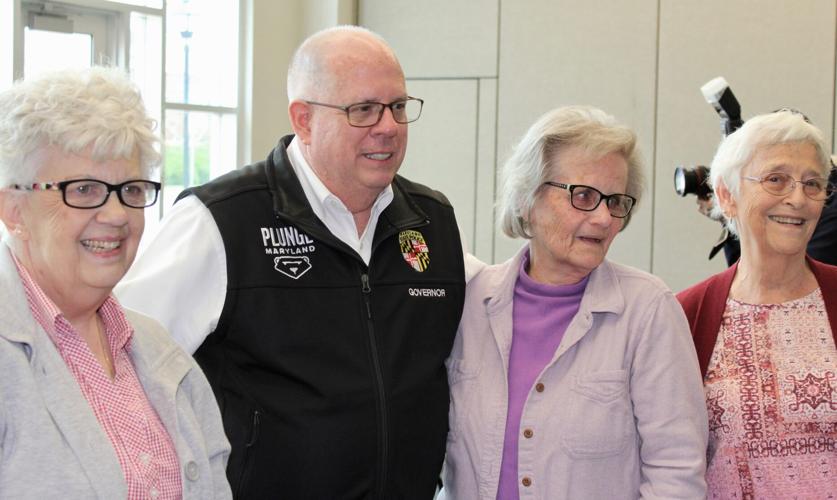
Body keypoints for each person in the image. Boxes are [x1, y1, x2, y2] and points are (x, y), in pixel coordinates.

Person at [116, 26, 466, 498]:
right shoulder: (221, 220)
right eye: (363, 110)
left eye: (398, 107)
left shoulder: (431, 221)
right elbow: (122, 363)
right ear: (303, 119)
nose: (388, 127)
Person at [440, 106, 708, 499]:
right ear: (528, 196)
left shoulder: (648, 310)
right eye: (583, 195)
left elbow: (676, 470)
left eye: (616, 201)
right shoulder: (468, 301)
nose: (603, 218)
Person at [0, 67, 231, 499]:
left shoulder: (159, 348)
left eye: (131, 189)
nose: (116, 214)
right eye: (84, 189)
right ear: (15, 210)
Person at [677, 110, 837, 498]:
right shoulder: (686, 314)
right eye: (776, 179)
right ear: (727, 195)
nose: (798, 198)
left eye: (813, 183)